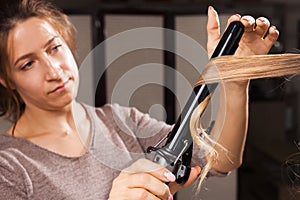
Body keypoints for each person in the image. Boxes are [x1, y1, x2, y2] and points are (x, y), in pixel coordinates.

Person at [0, 0, 279, 199]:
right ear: (7, 78)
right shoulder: (8, 169)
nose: (54, 70)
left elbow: (221, 161)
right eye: (27, 64)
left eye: (55, 48)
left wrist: (234, 81)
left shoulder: (119, 120)